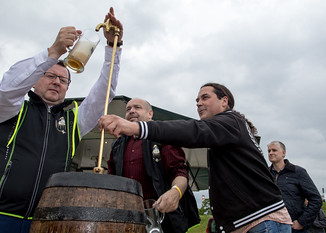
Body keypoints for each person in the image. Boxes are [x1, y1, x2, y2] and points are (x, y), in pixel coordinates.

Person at [98, 82, 293, 233]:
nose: (199, 103)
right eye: (197, 100)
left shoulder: (231, 121)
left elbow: (193, 132)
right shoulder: (117, 146)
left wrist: (135, 127)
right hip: (247, 222)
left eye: (205, 97)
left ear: (224, 101)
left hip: (261, 221)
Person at [0, 7, 123, 233]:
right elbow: (6, 88)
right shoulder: (13, 108)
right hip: (3, 215)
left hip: (48, 219)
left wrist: (112, 48)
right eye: (50, 76)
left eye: (63, 80)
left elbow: (105, 92)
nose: (57, 82)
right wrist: (53, 52)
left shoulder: (73, 119)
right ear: (36, 80)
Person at [107, 97, 199, 233]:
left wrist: (176, 192)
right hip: (129, 219)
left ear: (150, 114)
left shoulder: (163, 136)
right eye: (128, 109)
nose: (131, 111)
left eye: (137, 107)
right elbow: (112, 179)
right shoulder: (117, 145)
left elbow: (179, 171)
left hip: (164, 219)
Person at [267, 141, 323, 233]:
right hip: (272, 226)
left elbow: (316, 199)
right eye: (269, 151)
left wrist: (302, 222)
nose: (271, 153)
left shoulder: (298, 172)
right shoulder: (265, 175)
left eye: (274, 150)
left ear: (283, 153)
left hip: (294, 227)